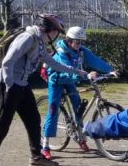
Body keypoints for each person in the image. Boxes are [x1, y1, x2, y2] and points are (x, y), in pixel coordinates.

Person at [0, 14, 90, 166]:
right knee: (4, 122)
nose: (58, 36)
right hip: (8, 85)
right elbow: (7, 62)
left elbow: (52, 62)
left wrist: (78, 72)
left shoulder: (38, 41)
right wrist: (10, 86)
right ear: (49, 30)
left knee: (33, 119)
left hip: (22, 85)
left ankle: (36, 156)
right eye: (57, 32)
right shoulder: (27, 38)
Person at [41, 26, 113, 159]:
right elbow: (68, 69)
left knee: (78, 106)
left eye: (81, 42)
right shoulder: (62, 52)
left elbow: (95, 60)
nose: (80, 45)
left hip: (70, 80)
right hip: (57, 80)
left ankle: (80, 137)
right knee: (53, 110)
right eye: (77, 42)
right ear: (69, 41)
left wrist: (110, 70)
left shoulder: (80, 50)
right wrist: (86, 75)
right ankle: (45, 145)